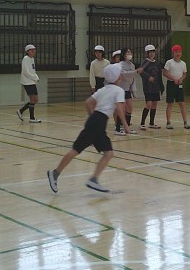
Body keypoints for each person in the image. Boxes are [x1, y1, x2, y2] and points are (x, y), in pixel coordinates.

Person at [46, 63, 130, 193]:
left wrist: (92, 117)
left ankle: (94, 180)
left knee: (109, 153)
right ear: (117, 77)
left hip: (97, 122)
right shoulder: (119, 91)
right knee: (76, 149)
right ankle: (55, 173)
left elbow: (88, 102)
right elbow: (119, 108)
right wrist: (125, 125)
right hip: (98, 122)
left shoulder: (103, 89)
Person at [163, 44, 190, 129]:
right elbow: (165, 73)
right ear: (173, 53)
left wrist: (181, 79)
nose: (178, 53)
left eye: (179, 52)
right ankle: (168, 122)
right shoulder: (169, 62)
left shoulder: (183, 64)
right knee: (170, 103)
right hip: (171, 84)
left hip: (179, 85)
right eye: (176, 52)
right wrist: (173, 78)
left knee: (182, 103)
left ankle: (185, 122)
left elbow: (184, 74)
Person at [139, 44, 164, 130]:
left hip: (155, 87)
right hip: (148, 87)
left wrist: (161, 86)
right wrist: (148, 77)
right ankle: (142, 123)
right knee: (149, 104)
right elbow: (141, 72)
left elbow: (159, 75)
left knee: (154, 105)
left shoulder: (157, 63)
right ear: (147, 53)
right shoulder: (144, 62)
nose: (151, 54)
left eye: (153, 52)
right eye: (149, 52)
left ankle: (151, 123)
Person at [114, 47, 138, 135]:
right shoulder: (120, 65)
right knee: (121, 109)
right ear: (123, 54)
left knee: (129, 108)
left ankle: (127, 127)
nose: (129, 54)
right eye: (127, 52)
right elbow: (124, 74)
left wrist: (133, 90)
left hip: (127, 90)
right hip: (120, 89)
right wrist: (135, 71)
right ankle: (117, 129)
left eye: (130, 52)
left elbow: (132, 79)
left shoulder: (132, 65)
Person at [17, 44, 41, 123]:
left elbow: (33, 70)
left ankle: (21, 111)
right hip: (27, 82)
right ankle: (31, 117)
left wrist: (36, 77)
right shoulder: (26, 59)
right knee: (33, 99)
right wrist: (34, 78)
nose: (33, 51)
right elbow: (26, 72)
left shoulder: (32, 59)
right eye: (31, 50)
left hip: (32, 81)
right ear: (27, 51)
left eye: (34, 49)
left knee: (35, 100)